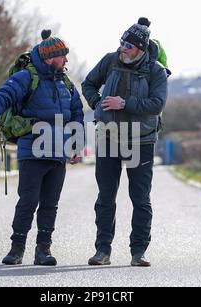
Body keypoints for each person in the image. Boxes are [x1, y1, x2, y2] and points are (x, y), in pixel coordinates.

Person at [0, 30, 84, 266]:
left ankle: (43, 250)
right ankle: (17, 249)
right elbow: (2, 97)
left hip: (58, 153)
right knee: (28, 200)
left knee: (50, 203)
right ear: (49, 58)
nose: (66, 60)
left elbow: (76, 112)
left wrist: (77, 144)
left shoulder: (66, 82)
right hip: (33, 150)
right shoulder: (27, 77)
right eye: (62, 56)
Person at [82, 17, 168, 267]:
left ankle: (138, 252)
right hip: (108, 136)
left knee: (140, 198)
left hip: (141, 140)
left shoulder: (156, 71)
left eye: (128, 45)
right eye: (121, 43)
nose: (122, 48)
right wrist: (98, 104)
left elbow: (157, 104)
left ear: (140, 49)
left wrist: (124, 104)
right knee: (105, 196)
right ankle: (102, 251)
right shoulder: (110, 61)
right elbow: (88, 84)